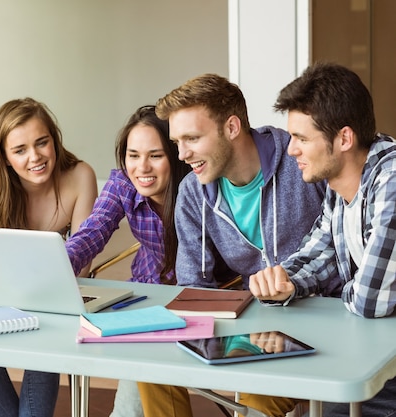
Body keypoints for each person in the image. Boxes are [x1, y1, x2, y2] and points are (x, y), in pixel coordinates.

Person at [136, 73, 328, 417]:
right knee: (152, 371)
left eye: (192, 138)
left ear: (232, 127)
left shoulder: (301, 160)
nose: (182, 154)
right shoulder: (194, 191)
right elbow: (194, 283)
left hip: (321, 323)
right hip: (255, 329)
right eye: (177, 142)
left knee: (258, 397)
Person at [249, 62, 396, 416]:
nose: (291, 151)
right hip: (369, 353)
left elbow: (370, 302)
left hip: (386, 371)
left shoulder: (391, 181)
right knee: (259, 384)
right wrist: (286, 282)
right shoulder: (342, 184)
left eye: (301, 138)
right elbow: (319, 252)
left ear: (344, 139)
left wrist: (343, 289)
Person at [0, 97, 97, 417]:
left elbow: (84, 257)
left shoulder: (80, 176)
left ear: (55, 140)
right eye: (20, 149)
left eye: (42, 143)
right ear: (5, 158)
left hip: (56, 300)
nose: (35, 157)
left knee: (48, 324)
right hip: (2, 300)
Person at [65, 105, 191, 416]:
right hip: (147, 296)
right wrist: (59, 264)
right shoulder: (122, 182)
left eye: (155, 155)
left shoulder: (197, 187)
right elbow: (92, 230)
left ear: (175, 155)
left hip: (203, 297)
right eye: (133, 155)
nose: (142, 167)